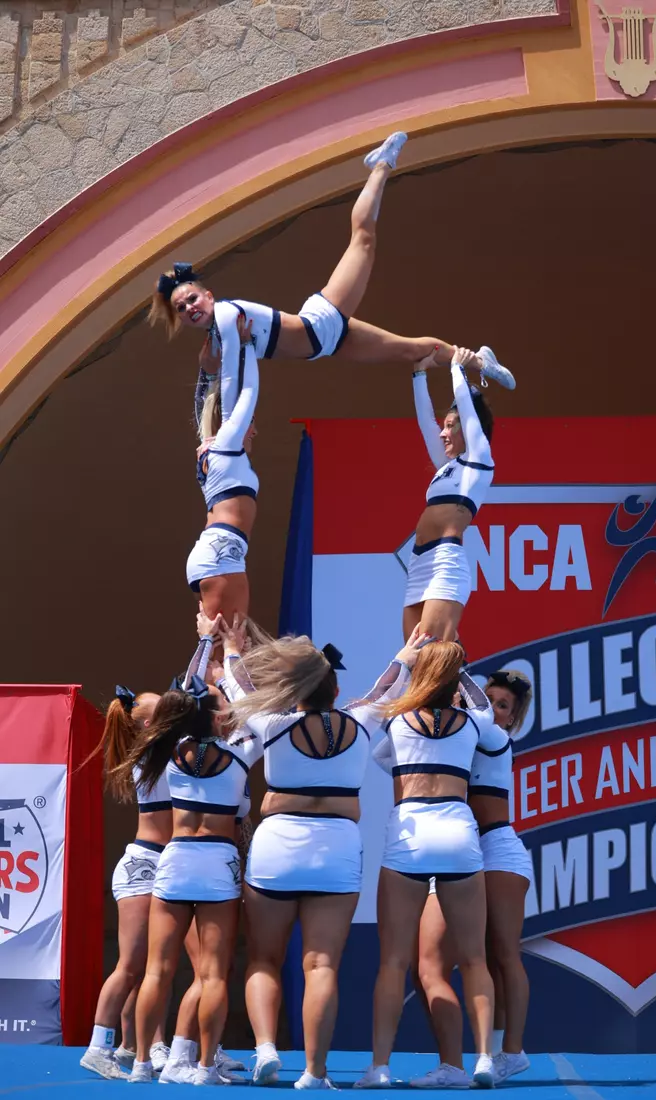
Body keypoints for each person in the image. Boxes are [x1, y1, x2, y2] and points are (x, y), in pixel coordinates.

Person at [148, 132, 514, 395]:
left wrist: (218, 380)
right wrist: (209, 373)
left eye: (192, 299)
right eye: (181, 308)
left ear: (209, 296)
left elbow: (230, 383)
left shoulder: (227, 317)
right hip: (328, 344)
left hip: (321, 320)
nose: (189, 307)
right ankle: (481, 362)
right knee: (411, 349)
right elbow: (212, 383)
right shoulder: (213, 342)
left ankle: (381, 164)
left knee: (363, 240)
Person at [228, 628, 429, 1090]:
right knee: (320, 965)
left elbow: (239, 686)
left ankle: (266, 1050)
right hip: (336, 850)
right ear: (336, 691)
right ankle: (315, 1072)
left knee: (263, 959)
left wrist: (231, 647)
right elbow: (385, 689)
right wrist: (403, 655)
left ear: (294, 691)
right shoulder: (359, 723)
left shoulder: (271, 723)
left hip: (277, 847)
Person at [355, 642, 503, 1089]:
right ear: (454, 679)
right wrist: (460, 667)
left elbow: (372, 701)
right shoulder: (473, 722)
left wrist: (403, 661)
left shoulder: (397, 720)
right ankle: (484, 1060)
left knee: (393, 961)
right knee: (474, 958)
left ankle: (380, 1067)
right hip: (459, 834)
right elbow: (483, 706)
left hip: (410, 836)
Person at [120, 677, 262, 1085]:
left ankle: (142, 1064)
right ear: (217, 717)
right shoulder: (239, 753)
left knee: (156, 971)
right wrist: (231, 677)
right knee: (214, 974)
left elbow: (173, 708)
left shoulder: (165, 751)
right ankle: (204, 1068)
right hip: (217, 862)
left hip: (176, 859)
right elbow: (257, 719)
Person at [411, 669, 534, 1088]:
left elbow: (475, 712)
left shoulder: (495, 737)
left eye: (504, 705)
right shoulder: (457, 734)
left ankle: (511, 1052)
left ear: (511, 718)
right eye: (491, 700)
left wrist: (452, 664)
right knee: (431, 963)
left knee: (503, 953)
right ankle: (458, 1062)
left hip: (497, 848)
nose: (494, 709)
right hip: (460, 850)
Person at [79, 686, 173, 1080]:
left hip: (166, 863)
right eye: (163, 707)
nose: (172, 706)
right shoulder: (152, 753)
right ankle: (98, 1047)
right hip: (143, 866)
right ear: (150, 724)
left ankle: (138, 1045)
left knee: (155, 966)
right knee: (131, 965)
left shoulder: (165, 750)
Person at [403, 346, 497, 644]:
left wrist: (457, 368)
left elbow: (468, 412)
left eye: (449, 427)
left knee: (429, 652)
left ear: (467, 430)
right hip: (419, 563)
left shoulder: (479, 460)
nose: (442, 433)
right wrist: (419, 373)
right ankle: (458, 672)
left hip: (446, 562)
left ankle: (458, 674)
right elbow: (425, 422)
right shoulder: (446, 466)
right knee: (414, 657)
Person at [185, 316, 259, 623]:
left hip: (218, 551)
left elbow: (207, 404)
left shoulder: (210, 447)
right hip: (221, 553)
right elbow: (247, 392)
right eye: (251, 423)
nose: (254, 431)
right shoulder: (226, 444)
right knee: (230, 640)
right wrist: (246, 347)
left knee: (225, 641)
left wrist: (207, 370)